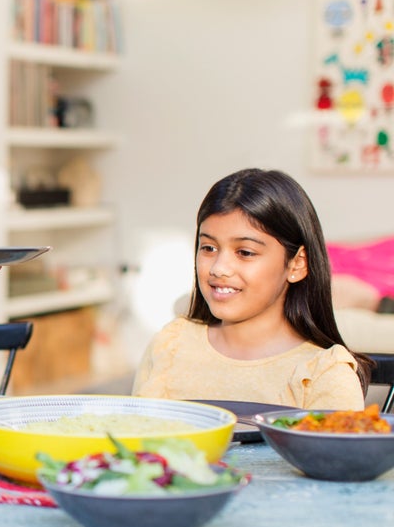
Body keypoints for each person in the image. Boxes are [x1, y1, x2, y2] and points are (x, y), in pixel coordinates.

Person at [132, 168, 371, 409]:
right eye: (208, 248)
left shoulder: (323, 373)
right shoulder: (170, 344)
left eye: (245, 252)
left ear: (297, 264)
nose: (219, 268)